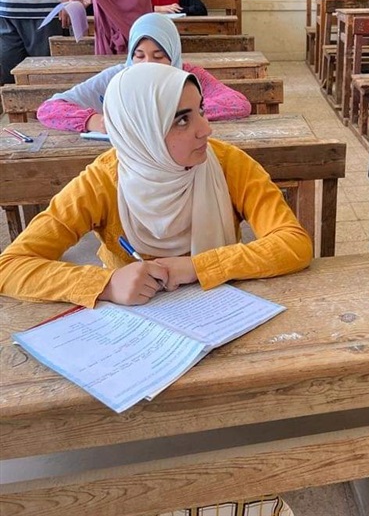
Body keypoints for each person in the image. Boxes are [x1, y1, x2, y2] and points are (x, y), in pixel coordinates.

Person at [0, 61, 309, 516]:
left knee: (231, 460)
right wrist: (105, 282)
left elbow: (293, 243)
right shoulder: (104, 179)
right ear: (139, 130)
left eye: (200, 111)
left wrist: (197, 266)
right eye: (181, 119)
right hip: (137, 354)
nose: (205, 129)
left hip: (218, 335)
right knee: (141, 471)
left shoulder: (227, 164)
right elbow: (12, 265)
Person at [37, 12, 252, 133]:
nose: (148, 64)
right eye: (139, 56)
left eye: (159, 56)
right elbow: (49, 109)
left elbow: (237, 103)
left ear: (174, 55)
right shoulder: (118, 77)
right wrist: (94, 121)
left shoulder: (189, 76)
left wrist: (177, 115)